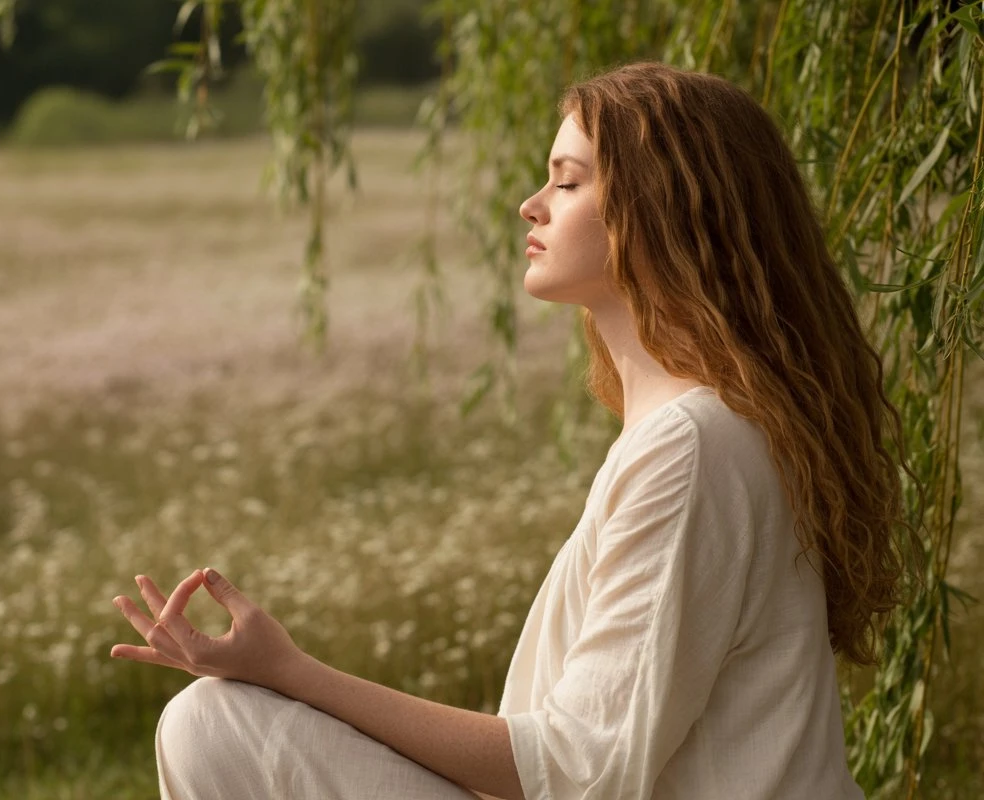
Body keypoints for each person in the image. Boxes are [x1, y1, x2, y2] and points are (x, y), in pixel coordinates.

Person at [108, 60, 917, 800]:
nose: (530, 205)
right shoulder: (700, 430)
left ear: (659, 207)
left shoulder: (693, 446)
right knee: (209, 722)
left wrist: (287, 670)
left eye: (568, 183)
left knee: (213, 726)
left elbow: (578, 768)